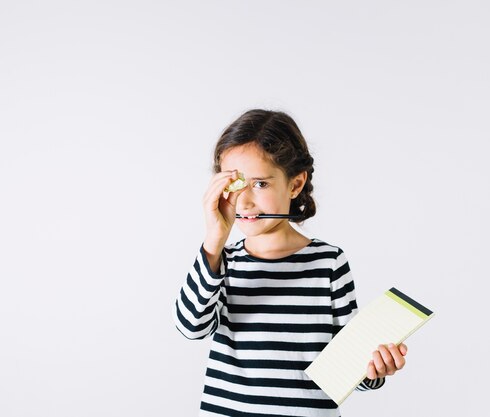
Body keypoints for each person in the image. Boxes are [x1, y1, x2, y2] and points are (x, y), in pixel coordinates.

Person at [173, 109, 408, 416]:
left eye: (260, 184)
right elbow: (191, 327)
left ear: (295, 185)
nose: (244, 201)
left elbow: (348, 367)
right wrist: (214, 240)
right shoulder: (221, 262)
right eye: (234, 184)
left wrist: (375, 369)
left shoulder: (329, 263)